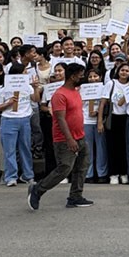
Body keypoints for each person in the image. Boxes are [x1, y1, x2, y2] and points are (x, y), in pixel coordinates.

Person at [28, 63, 93, 210]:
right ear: (72, 76)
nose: (82, 77)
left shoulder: (75, 91)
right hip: (65, 139)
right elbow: (60, 119)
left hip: (80, 137)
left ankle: (75, 197)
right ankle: (38, 190)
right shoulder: (59, 95)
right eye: (80, 75)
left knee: (81, 167)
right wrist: (69, 139)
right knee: (64, 168)